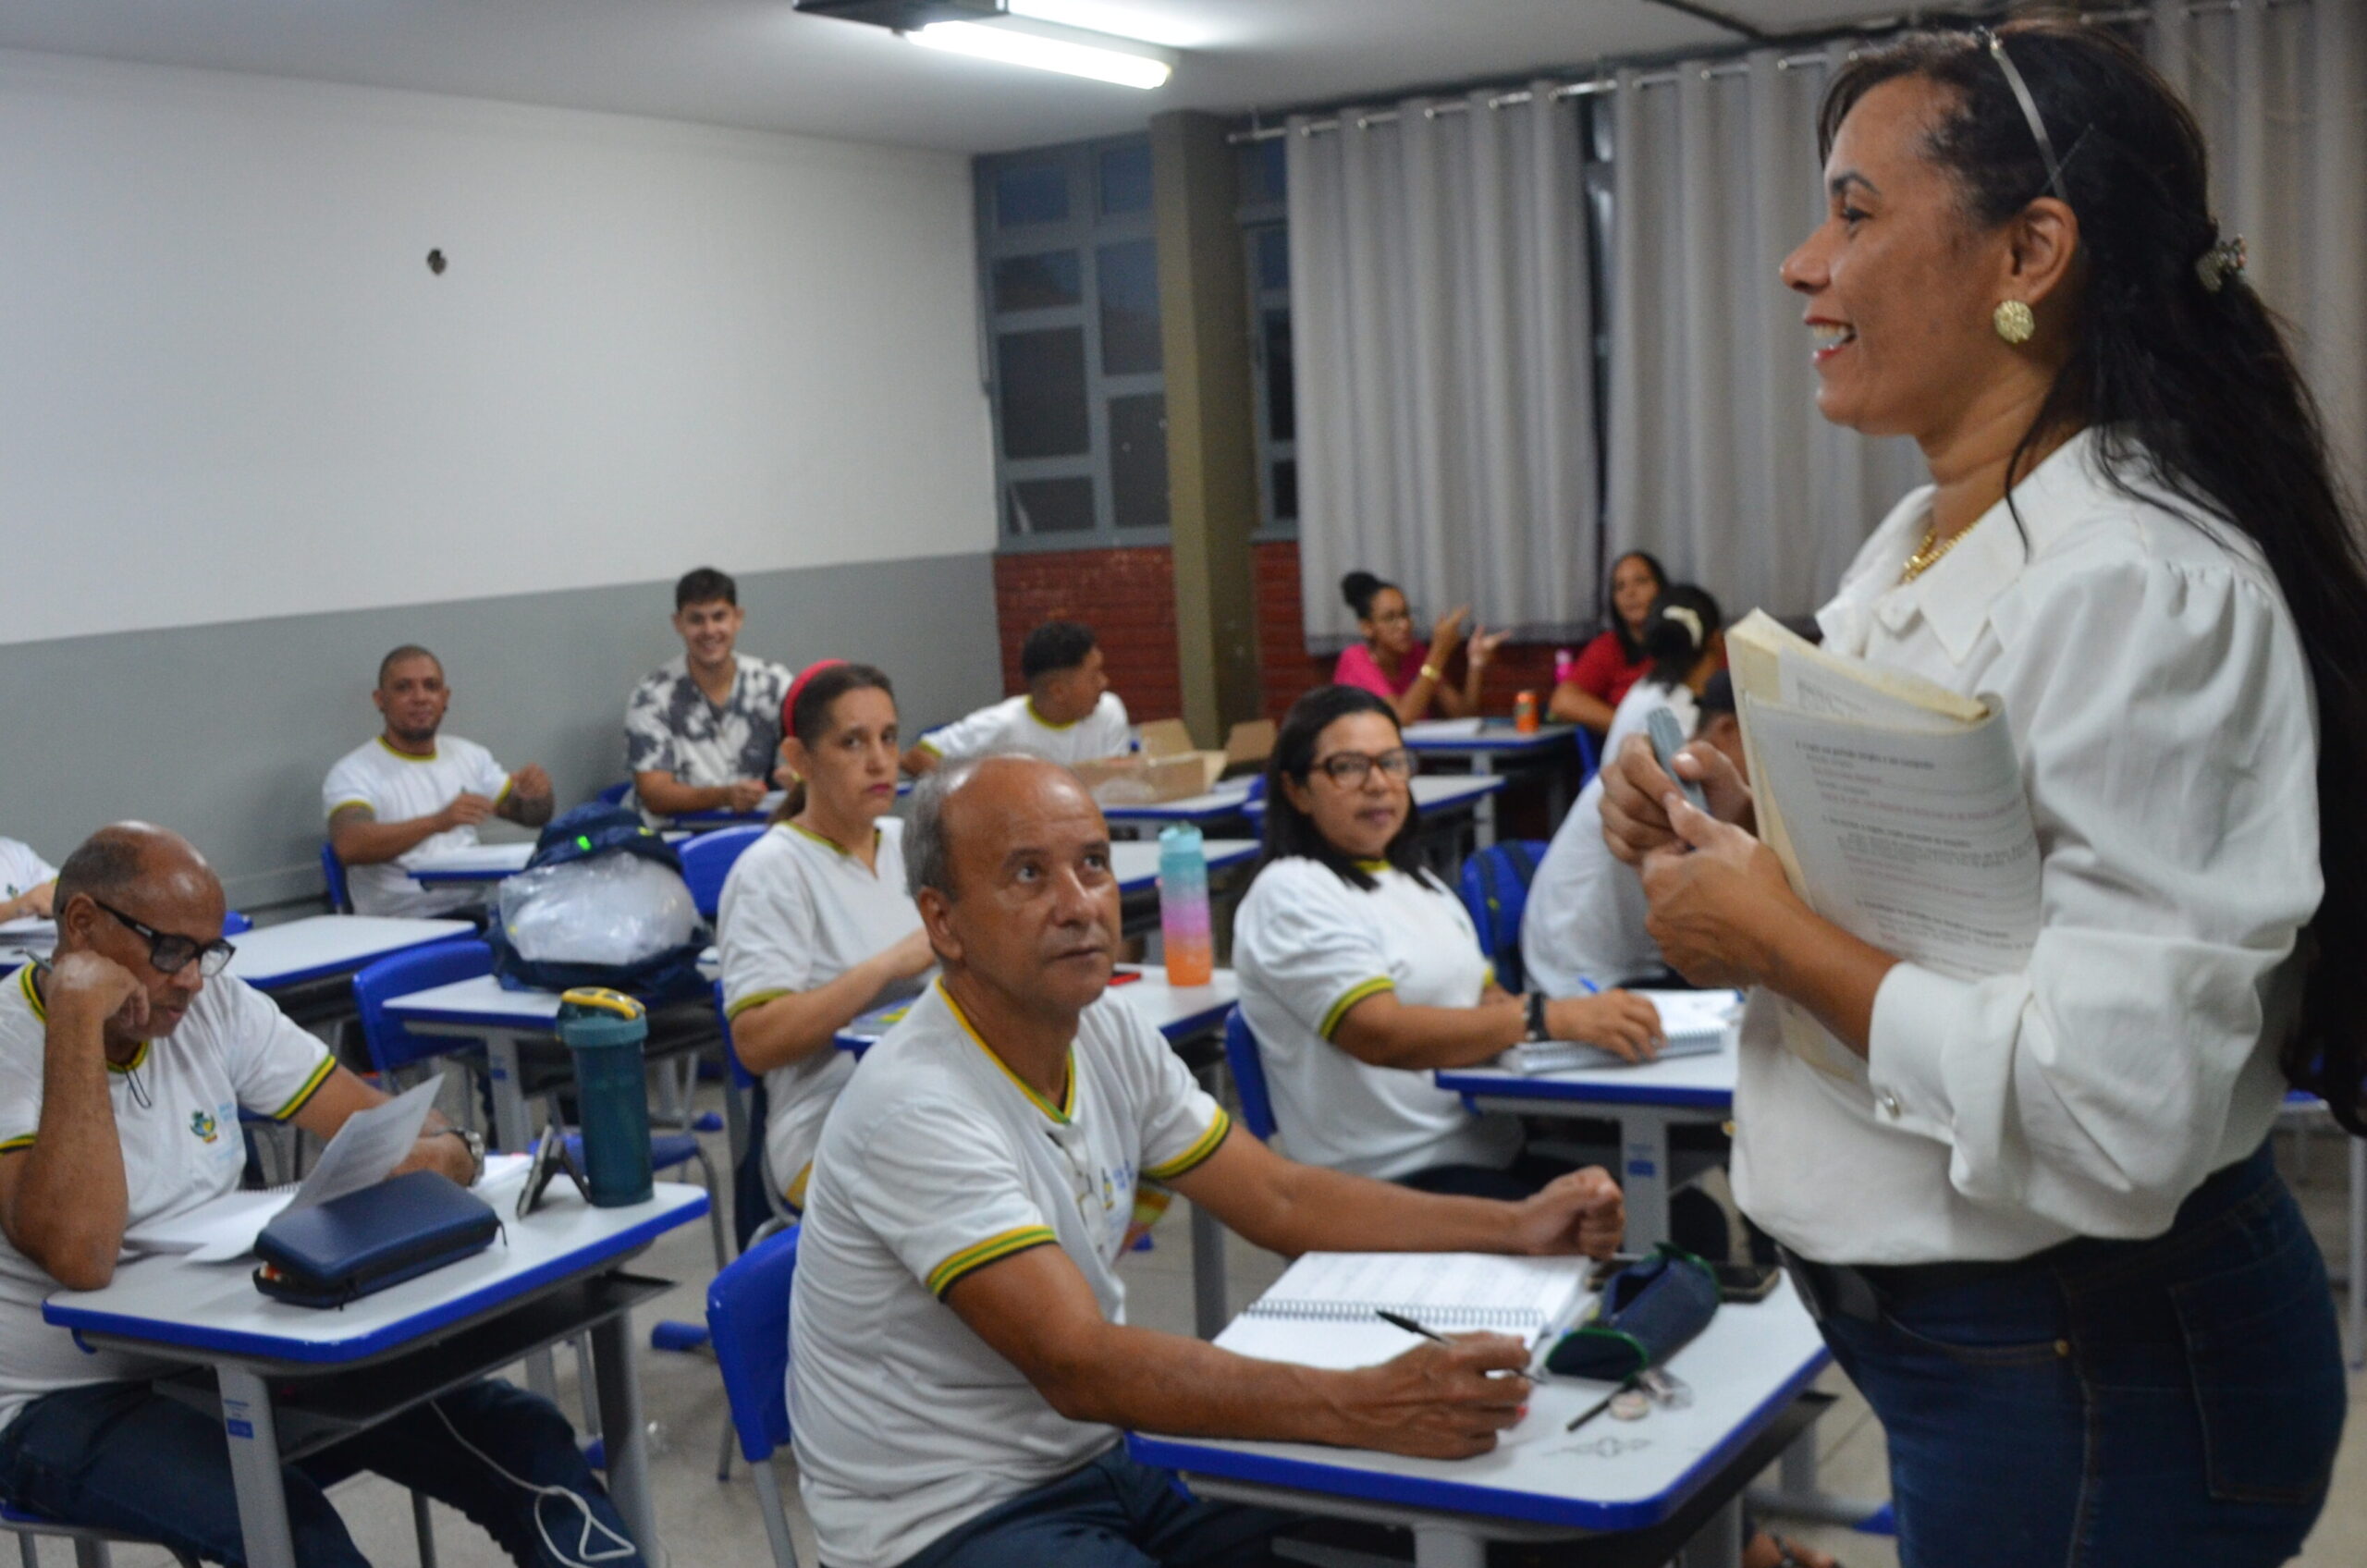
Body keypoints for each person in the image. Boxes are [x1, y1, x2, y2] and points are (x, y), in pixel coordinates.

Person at [1600, 22, 2361, 1565]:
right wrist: (1743, 835)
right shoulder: (1928, 536)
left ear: (2031, 252)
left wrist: (1775, 938)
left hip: (2093, 1369)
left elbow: (2111, 1108)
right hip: (1987, 1353)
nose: (1804, 264)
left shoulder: (2135, 585)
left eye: (1855, 211)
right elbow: (1967, 901)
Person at [790, 754, 1628, 1568]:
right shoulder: (916, 1104)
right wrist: (1367, 1400)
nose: (1079, 905)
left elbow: (1280, 1198)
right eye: (1028, 875)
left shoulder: (1105, 1029)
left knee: (1407, 1527)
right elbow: (1077, 1364)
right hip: (947, 1518)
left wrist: (1516, 1226)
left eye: (1093, 865)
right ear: (943, 922)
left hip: (1104, 1458)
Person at [0, 825, 642, 1568]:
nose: (194, 980)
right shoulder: (12, 1040)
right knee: (294, 1533)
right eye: (171, 951)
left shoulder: (214, 1007)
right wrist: (76, 1020)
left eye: (208, 953)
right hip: (62, 1399)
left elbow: (390, 1122)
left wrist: (451, 1150)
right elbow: (80, 1256)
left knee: (521, 1437)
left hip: (226, 1348)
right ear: (81, 926)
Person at [1233, 685, 1662, 1197]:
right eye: (1348, 767)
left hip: (1485, 1147)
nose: (1379, 784)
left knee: (1684, 1215)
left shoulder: (1420, 883)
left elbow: (1484, 998)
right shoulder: (1292, 892)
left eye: (1392, 762)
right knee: (1653, 1226)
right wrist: (1545, 1017)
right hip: (1390, 1181)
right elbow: (1380, 1034)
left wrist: (1581, 1025)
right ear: (1297, 790)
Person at [717, 660, 934, 1216]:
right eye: (852, 742)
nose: (880, 760)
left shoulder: (906, 841)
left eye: (889, 737)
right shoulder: (772, 870)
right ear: (799, 760)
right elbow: (756, 1042)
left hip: (932, 1094)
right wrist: (889, 965)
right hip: (831, 1125)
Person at [1524, 592, 1736, 996]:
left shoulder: (1646, 692)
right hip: (1586, 965)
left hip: (1573, 931)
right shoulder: (1678, 724)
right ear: (1716, 641)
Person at [325, 645, 556, 917]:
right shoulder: (353, 771)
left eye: (431, 686)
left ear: (445, 698)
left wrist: (537, 794)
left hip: (478, 907)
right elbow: (349, 845)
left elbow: (534, 815)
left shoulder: (469, 755)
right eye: (403, 688)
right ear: (380, 700)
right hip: (405, 921)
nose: (420, 697)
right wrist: (437, 822)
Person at [625, 567, 795, 818]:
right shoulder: (651, 695)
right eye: (696, 620)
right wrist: (724, 796)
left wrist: (798, 777)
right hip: (674, 832)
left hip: (759, 826)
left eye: (719, 617)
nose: (709, 630)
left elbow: (811, 757)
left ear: (738, 618)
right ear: (678, 623)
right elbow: (655, 794)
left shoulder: (775, 683)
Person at [903, 620, 1130, 775]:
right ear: (1058, 691)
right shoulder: (1002, 723)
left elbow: (1118, 785)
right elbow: (915, 758)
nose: (1104, 682)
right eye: (1094, 675)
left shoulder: (1109, 711)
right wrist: (973, 795)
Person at [1331, 571, 1503, 724]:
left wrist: (1475, 664)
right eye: (1390, 618)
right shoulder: (1355, 658)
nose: (1404, 625)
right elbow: (1399, 719)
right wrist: (1438, 652)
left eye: (1405, 614)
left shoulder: (1416, 653)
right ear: (1367, 627)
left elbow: (1464, 716)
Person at [1549, 550, 1668, 733]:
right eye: (1620, 587)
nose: (1630, 593)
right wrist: (1633, 728)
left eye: (1641, 581)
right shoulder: (1609, 647)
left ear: (1661, 588)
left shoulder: (1686, 641)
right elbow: (1563, 701)